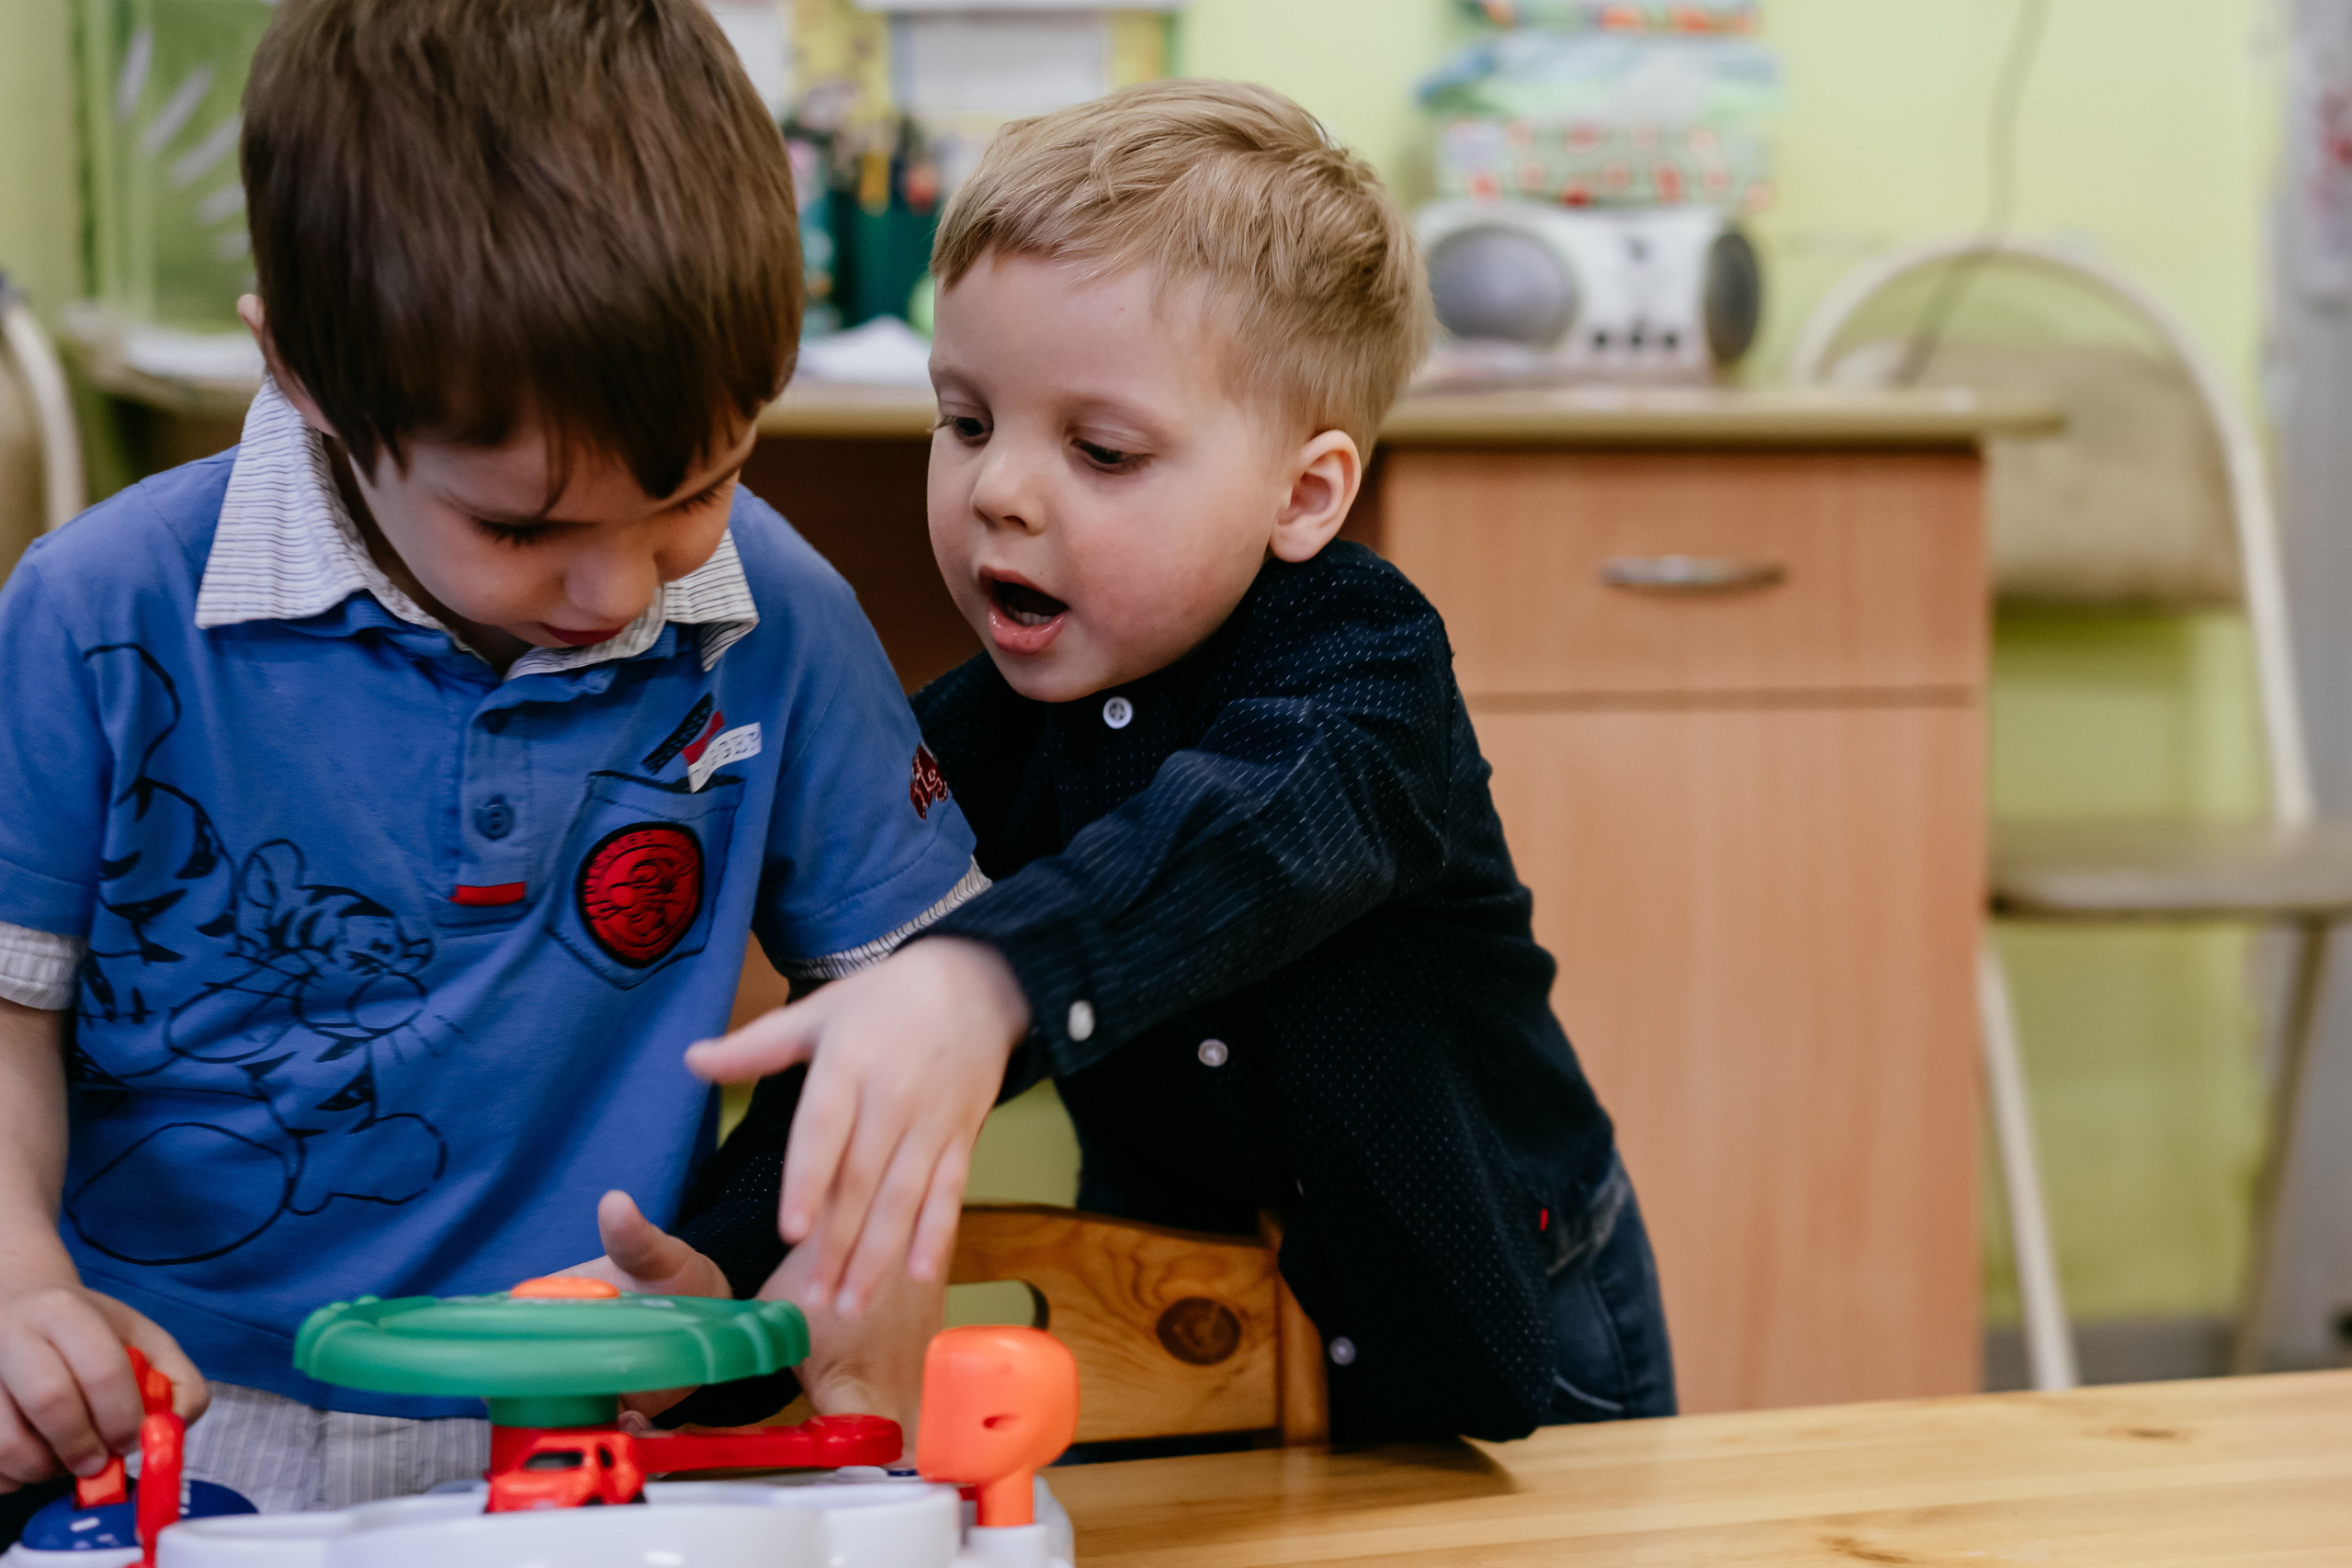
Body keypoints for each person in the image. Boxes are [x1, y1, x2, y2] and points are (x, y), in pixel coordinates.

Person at [0, 0, 987, 1516]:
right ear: (304, 374)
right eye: (525, 528)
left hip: (587, 1427)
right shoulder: (94, 613)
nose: (623, 592)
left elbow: (910, 998)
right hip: (169, 1417)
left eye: (697, 488)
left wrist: (815, 1266)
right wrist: (16, 1291)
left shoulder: (777, 613)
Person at [668, 79, 1675, 1442]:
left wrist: (991, 978)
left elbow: (1240, 840)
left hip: (1502, 1314)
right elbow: (877, 1063)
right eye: (965, 421)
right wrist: (715, 1287)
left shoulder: (1368, 673)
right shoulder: (971, 738)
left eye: (1100, 449)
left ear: (1305, 493)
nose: (999, 491)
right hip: (1181, 1313)